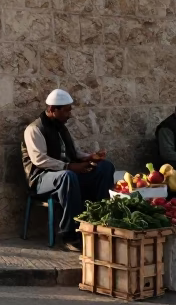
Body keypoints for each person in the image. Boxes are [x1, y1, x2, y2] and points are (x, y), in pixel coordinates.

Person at [22, 88, 112, 250]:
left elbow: (73, 152)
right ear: (52, 110)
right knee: (68, 176)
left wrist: (90, 157)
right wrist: (69, 166)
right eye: (66, 110)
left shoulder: (61, 127)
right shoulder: (34, 129)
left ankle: (98, 221)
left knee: (105, 168)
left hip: (66, 173)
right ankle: (69, 234)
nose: (69, 114)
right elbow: (39, 160)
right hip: (42, 179)